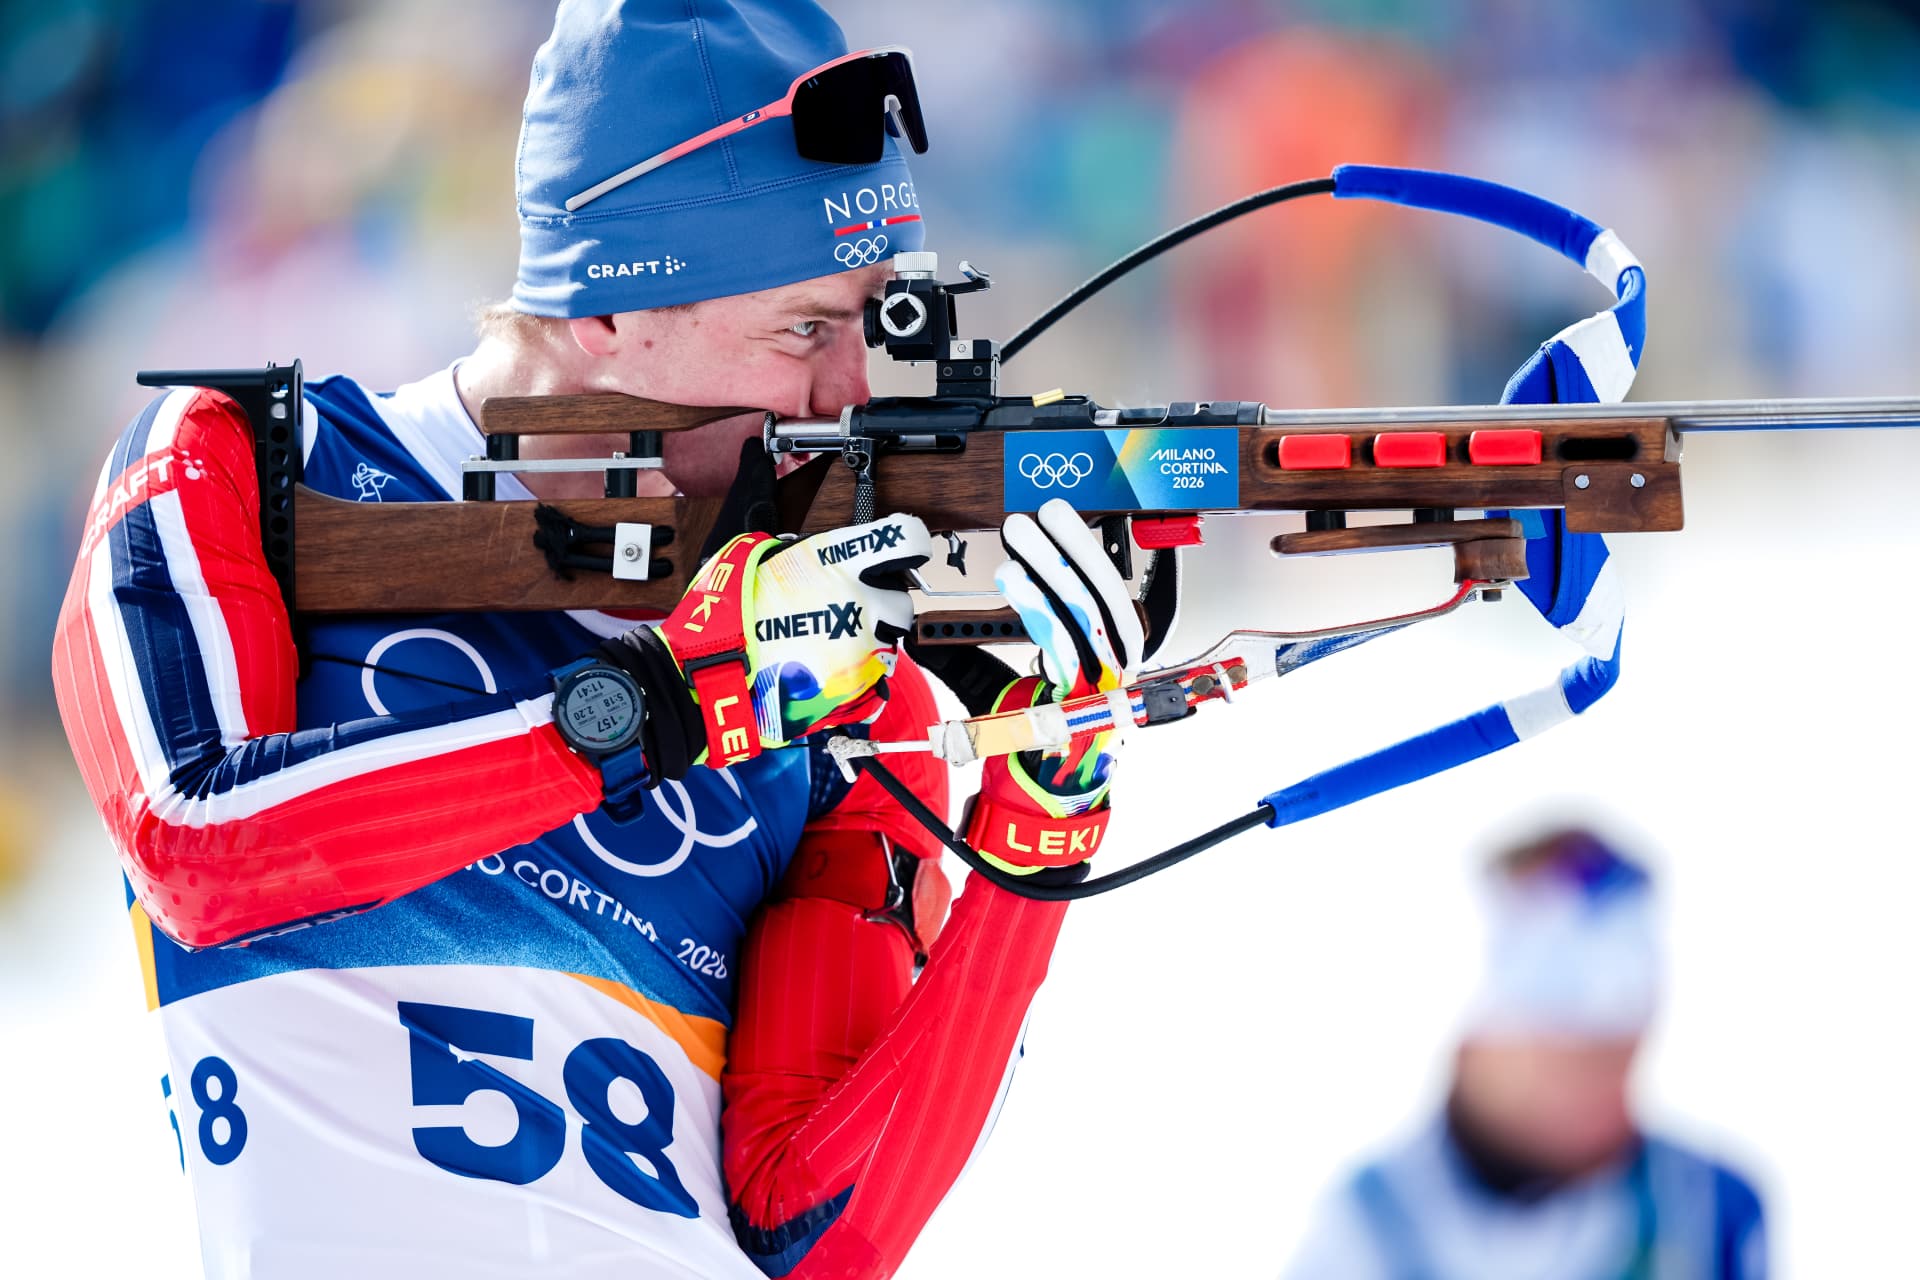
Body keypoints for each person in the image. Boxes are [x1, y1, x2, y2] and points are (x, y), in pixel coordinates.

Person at [49, 4, 1143, 1277]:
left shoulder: (846, 668)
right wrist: (654, 707)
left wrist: (1042, 816)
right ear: (604, 313)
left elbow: (820, 1231)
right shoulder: (250, 468)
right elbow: (206, 849)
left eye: (874, 322)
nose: (853, 393)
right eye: (806, 328)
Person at [1285, 828, 1766, 1280]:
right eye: (1568, 1058)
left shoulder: (1710, 1210)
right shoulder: (1368, 1226)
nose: (1606, 1093)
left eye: (1620, 1056)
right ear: (1473, 1050)